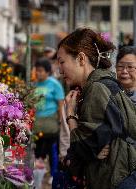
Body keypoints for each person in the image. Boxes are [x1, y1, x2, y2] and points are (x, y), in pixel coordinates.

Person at [57, 28, 136, 189]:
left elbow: (85, 146)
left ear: (80, 58)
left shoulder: (96, 88)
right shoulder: (104, 83)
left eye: (62, 61)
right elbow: (96, 144)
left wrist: (70, 115)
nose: (59, 70)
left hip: (115, 180)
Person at [33, 58, 65, 184]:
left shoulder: (54, 84)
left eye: (41, 71)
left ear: (47, 72)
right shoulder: (35, 84)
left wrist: (61, 120)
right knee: (38, 151)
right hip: (38, 123)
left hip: (51, 123)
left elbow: (60, 104)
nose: (38, 73)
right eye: (37, 70)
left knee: (52, 150)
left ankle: (53, 174)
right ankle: (39, 174)